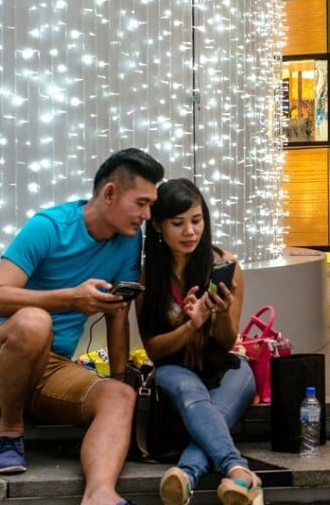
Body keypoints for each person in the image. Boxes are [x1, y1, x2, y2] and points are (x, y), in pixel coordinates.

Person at [0, 148, 165, 505]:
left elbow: (118, 314)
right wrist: (69, 298)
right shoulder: (49, 227)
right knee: (34, 322)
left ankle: (100, 494)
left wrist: (119, 385)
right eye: (141, 203)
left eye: (151, 205)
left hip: (53, 368)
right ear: (111, 193)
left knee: (120, 395)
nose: (147, 215)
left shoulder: (130, 241)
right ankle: (8, 434)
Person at [137, 179, 261, 505]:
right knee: (194, 395)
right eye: (178, 223)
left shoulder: (225, 265)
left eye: (196, 220)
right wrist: (190, 326)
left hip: (226, 364)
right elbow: (154, 349)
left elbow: (227, 341)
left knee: (215, 406)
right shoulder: (149, 276)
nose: (190, 231)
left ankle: (186, 475)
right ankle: (238, 471)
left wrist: (217, 316)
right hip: (174, 368)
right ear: (159, 226)